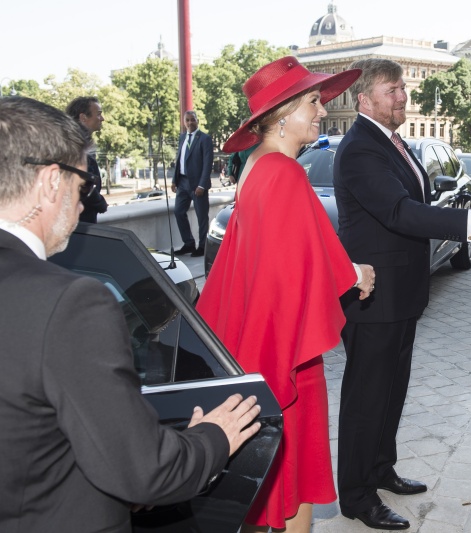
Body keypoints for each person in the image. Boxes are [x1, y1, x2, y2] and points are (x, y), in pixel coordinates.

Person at [0, 96, 263, 532]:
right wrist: (215, 436)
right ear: (50, 182)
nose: (84, 202)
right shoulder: (68, 303)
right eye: (81, 183)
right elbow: (147, 473)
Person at [332, 57, 471, 530]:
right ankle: (356, 495)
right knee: (366, 397)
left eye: (402, 88)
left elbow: (418, 201)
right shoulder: (360, 149)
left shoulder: (393, 142)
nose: (402, 96)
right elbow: (400, 212)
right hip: (372, 296)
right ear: (365, 99)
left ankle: (380, 469)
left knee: (392, 391)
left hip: (401, 293)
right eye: (392, 89)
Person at [195, 56, 374, 533]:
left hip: (253, 342)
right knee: (294, 478)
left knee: (264, 477)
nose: (322, 110)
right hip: (286, 350)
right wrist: (355, 273)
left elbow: (276, 257)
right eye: (313, 101)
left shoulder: (256, 167)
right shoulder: (286, 173)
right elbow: (297, 266)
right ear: (281, 114)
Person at [171, 110, 213, 257]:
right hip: (182, 182)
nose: (190, 123)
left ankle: (202, 246)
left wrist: (202, 185)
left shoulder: (204, 139)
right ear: (184, 122)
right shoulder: (182, 137)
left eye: (192, 120)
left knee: (201, 216)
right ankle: (188, 243)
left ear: (197, 121)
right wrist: (174, 180)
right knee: (178, 211)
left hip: (197, 184)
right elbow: (179, 160)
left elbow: (208, 163)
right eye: (187, 120)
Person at [65, 96, 108, 223]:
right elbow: (81, 180)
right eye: (98, 114)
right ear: (83, 117)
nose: (102, 119)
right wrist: (98, 202)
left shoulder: (75, 141)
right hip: (79, 224)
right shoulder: (75, 145)